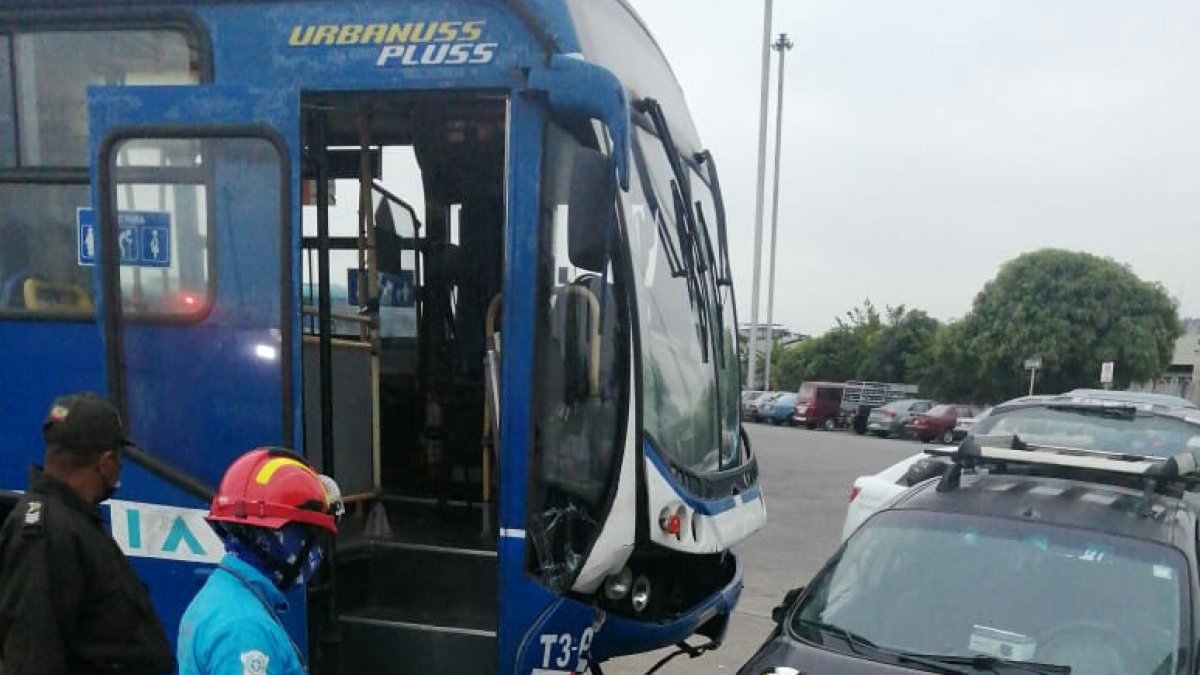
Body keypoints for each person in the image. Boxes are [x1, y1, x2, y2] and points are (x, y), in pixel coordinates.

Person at [0, 392, 175, 675]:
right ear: (105, 462)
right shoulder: (44, 532)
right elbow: (33, 651)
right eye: (119, 460)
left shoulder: (76, 521)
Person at [177, 448, 342, 675]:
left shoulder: (221, 596)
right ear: (276, 538)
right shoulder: (244, 629)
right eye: (310, 535)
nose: (315, 552)